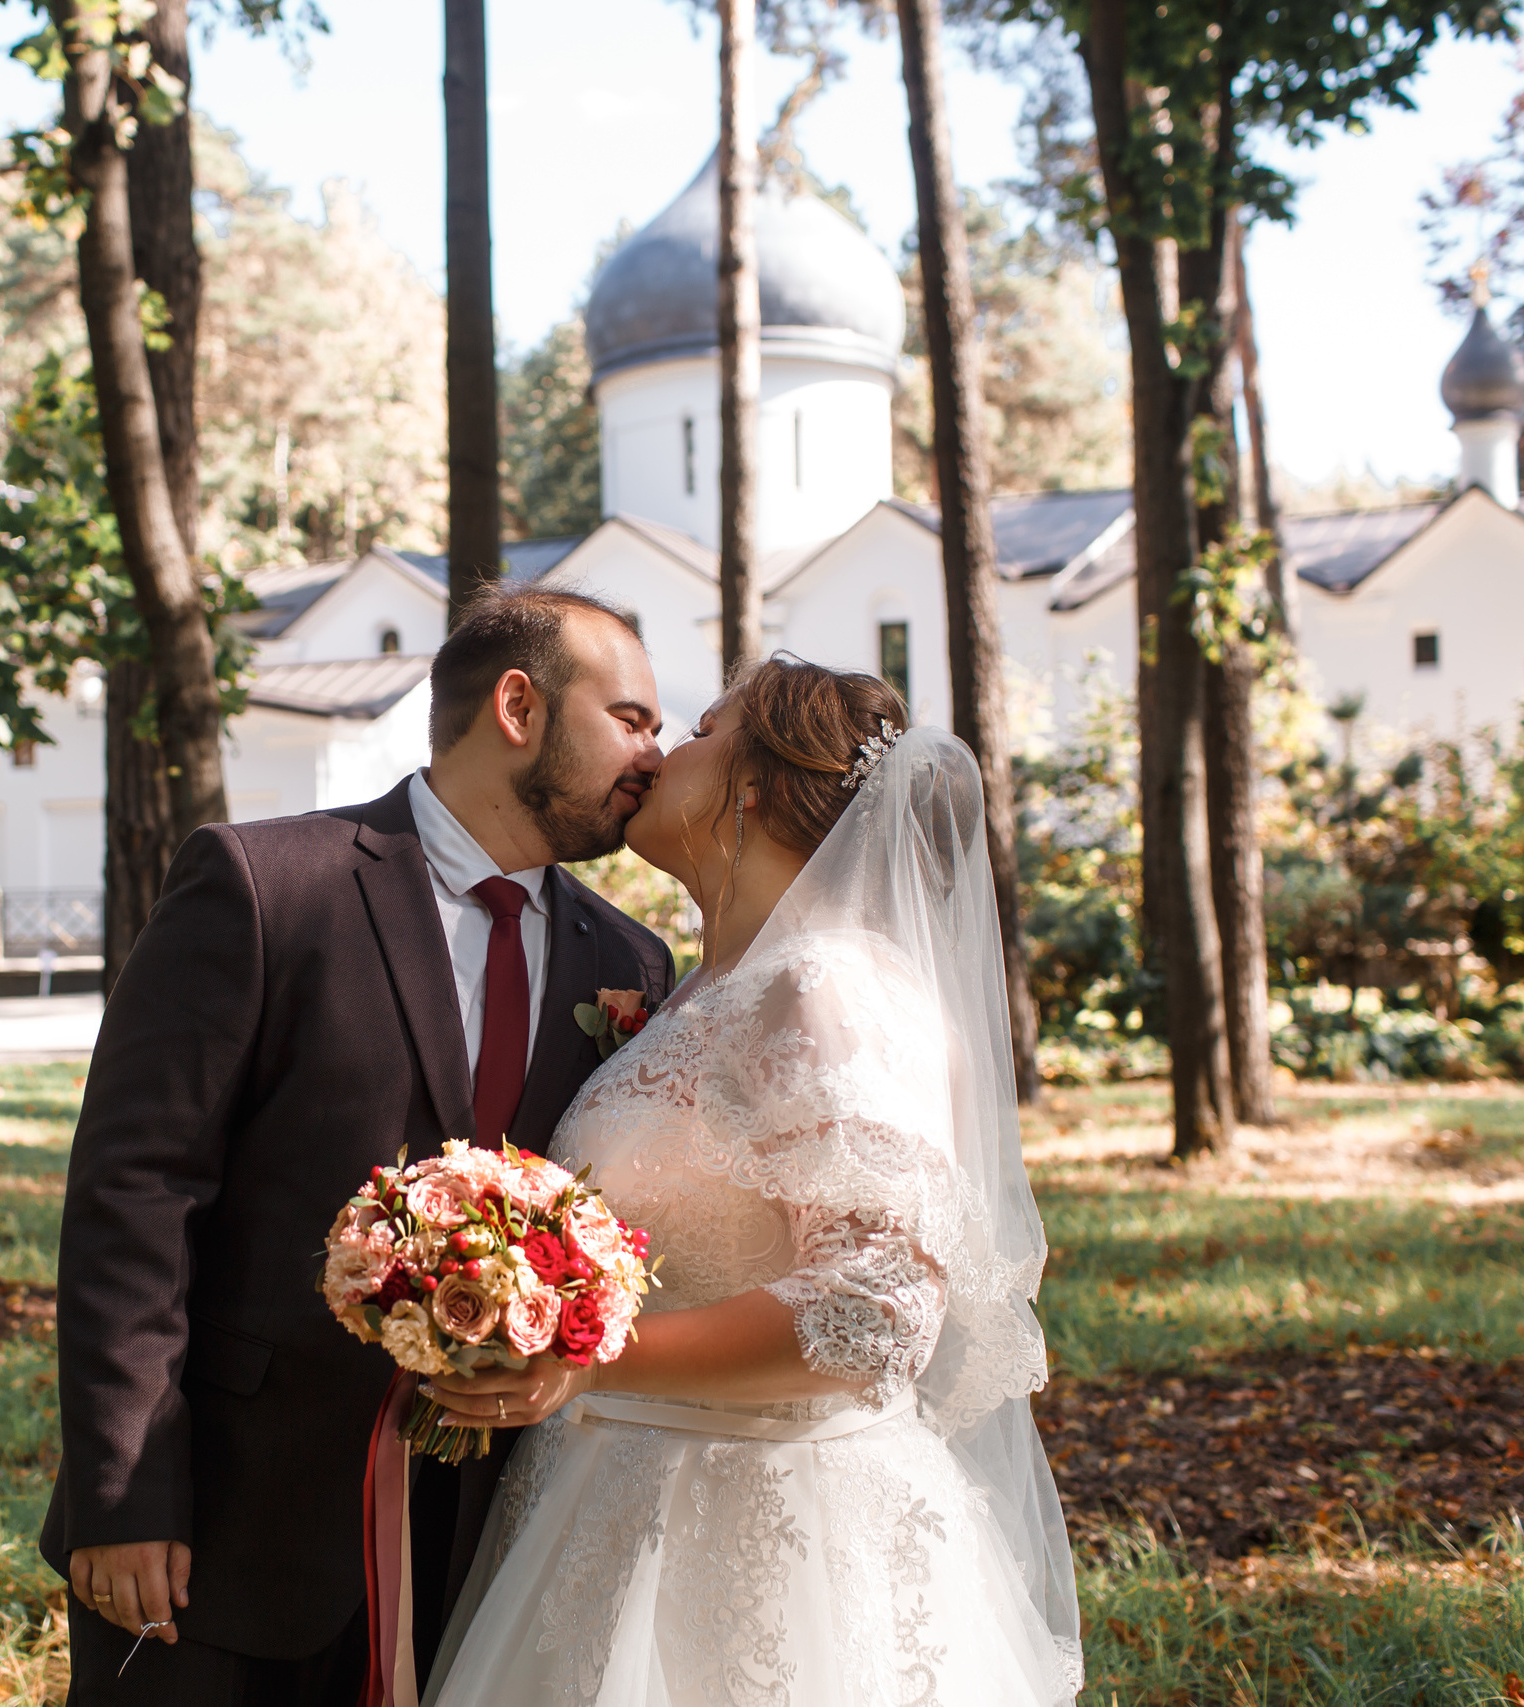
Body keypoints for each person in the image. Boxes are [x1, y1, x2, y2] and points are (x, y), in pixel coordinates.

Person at [41, 584, 679, 1705]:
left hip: (488, 1550)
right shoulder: (264, 886)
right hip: (230, 1525)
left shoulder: (627, 961)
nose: (654, 754)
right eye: (629, 718)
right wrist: (124, 1489)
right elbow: (136, 1193)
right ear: (518, 707)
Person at [421, 657, 1084, 1707]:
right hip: (602, 1502)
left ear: (755, 787)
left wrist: (589, 1359)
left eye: (696, 731)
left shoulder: (828, 988)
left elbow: (877, 1311)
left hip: (765, 1536)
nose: (655, 753)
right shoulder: (697, 989)